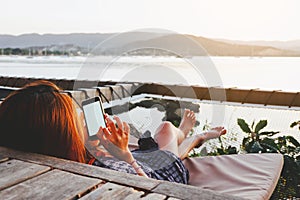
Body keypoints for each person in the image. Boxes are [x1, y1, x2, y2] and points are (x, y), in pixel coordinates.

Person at [0, 80, 226, 184]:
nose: (84, 122)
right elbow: (150, 190)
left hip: (126, 161)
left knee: (164, 134)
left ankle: (184, 134)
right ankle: (195, 136)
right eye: (79, 122)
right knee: (167, 138)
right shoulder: (94, 179)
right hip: (157, 173)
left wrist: (96, 147)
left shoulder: (59, 159)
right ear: (62, 139)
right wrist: (125, 155)